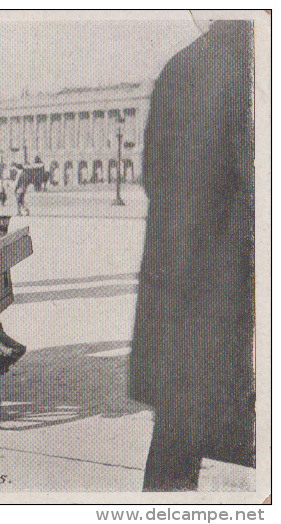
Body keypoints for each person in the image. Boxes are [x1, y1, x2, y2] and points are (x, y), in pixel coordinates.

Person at [130, 20, 254, 491]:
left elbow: (151, 176)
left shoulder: (182, 65)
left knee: (178, 431)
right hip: (234, 288)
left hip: (183, 288)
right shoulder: (254, 65)